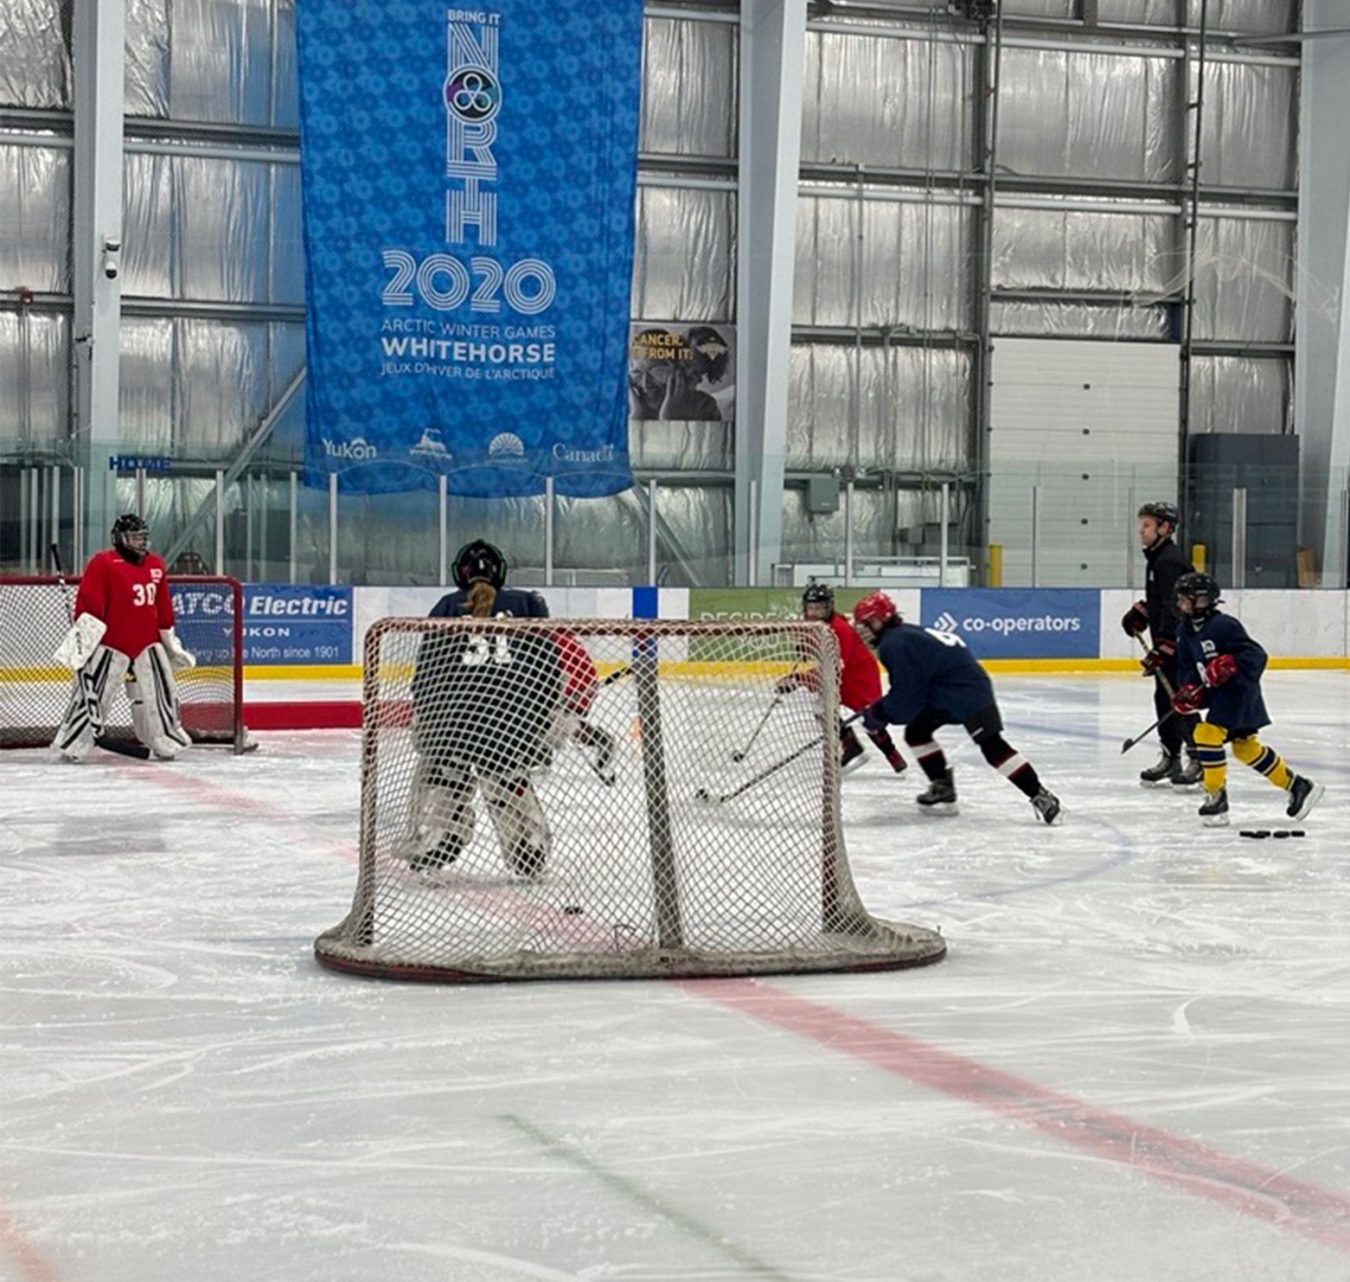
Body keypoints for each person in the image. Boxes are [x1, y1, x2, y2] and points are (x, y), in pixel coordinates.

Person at [406, 539, 562, 877]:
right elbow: (548, 670)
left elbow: (426, 675)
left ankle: (439, 837)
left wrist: (427, 725)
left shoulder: (446, 606)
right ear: (500, 572)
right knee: (508, 780)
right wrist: (540, 720)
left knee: (444, 776)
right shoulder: (527, 603)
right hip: (508, 724)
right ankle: (527, 847)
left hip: (453, 724)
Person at [851, 591, 1062, 825]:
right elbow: (913, 690)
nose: (863, 630)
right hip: (947, 691)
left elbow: (906, 698)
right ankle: (942, 787)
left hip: (968, 693)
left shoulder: (893, 644)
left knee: (992, 746)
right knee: (917, 732)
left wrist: (879, 713)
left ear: (883, 619)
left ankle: (1039, 794)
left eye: (867, 623)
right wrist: (883, 710)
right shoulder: (902, 635)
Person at [1170, 573, 1323, 827]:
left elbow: (1256, 656)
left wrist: (1231, 663)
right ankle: (1298, 785)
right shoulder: (1183, 631)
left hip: (1239, 692)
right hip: (1221, 695)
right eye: (1181, 600)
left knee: (1206, 733)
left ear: (1203, 601)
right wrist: (1188, 691)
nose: (1182, 605)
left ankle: (1216, 796)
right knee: (1245, 748)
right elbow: (1187, 669)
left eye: (1187, 600)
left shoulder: (1225, 626)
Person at [51, 513, 196, 761]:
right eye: (135, 537)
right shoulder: (104, 563)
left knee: (159, 694)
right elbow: (89, 604)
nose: (141, 543)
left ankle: (164, 740)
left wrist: (169, 642)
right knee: (92, 694)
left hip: (148, 642)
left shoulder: (156, 565)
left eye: (143, 537)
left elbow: (162, 606)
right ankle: (74, 743)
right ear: (119, 538)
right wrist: (84, 643)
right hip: (111, 643)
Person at [776, 582, 906, 775]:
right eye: (810, 608)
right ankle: (850, 745)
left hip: (859, 675)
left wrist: (799, 679)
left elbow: (834, 668)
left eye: (819, 608)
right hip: (841, 673)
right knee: (822, 708)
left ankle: (893, 756)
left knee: (870, 719)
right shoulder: (813, 624)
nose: (813, 613)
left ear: (828, 607)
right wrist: (805, 648)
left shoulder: (839, 629)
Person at [1121, 501, 1201, 787]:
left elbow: (1177, 606)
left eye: (1147, 525)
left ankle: (1199, 758)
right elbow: (1163, 600)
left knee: (1179, 700)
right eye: (1141, 524)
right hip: (1168, 641)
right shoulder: (1158, 557)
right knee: (1163, 698)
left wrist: (1166, 644)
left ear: (1165, 528)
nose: (1141, 531)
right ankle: (1171, 756)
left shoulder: (1168, 560)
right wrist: (1143, 612)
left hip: (1179, 644)